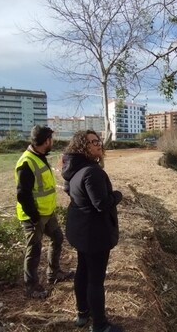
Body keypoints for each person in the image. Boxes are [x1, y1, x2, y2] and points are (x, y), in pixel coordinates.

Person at [62, 130, 124, 332]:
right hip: (94, 234)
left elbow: (72, 193)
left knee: (82, 270)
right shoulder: (92, 171)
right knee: (95, 280)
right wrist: (117, 195)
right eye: (93, 142)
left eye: (98, 141)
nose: (99, 144)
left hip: (81, 231)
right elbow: (101, 204)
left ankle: (82, 313)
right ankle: (100, 325)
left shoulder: (74, 168)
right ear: (82, 146)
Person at [15, 125, 73, 299]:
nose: (52, 143)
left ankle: (53, 273)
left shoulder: (39, 156)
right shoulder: (27, 162)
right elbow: (22, 195)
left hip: (47, 212)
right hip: (35, 216)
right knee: (34, 249)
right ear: (46, 140)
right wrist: (33, 217)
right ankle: (31, 287)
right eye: (51, 140)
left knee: (57, 238)